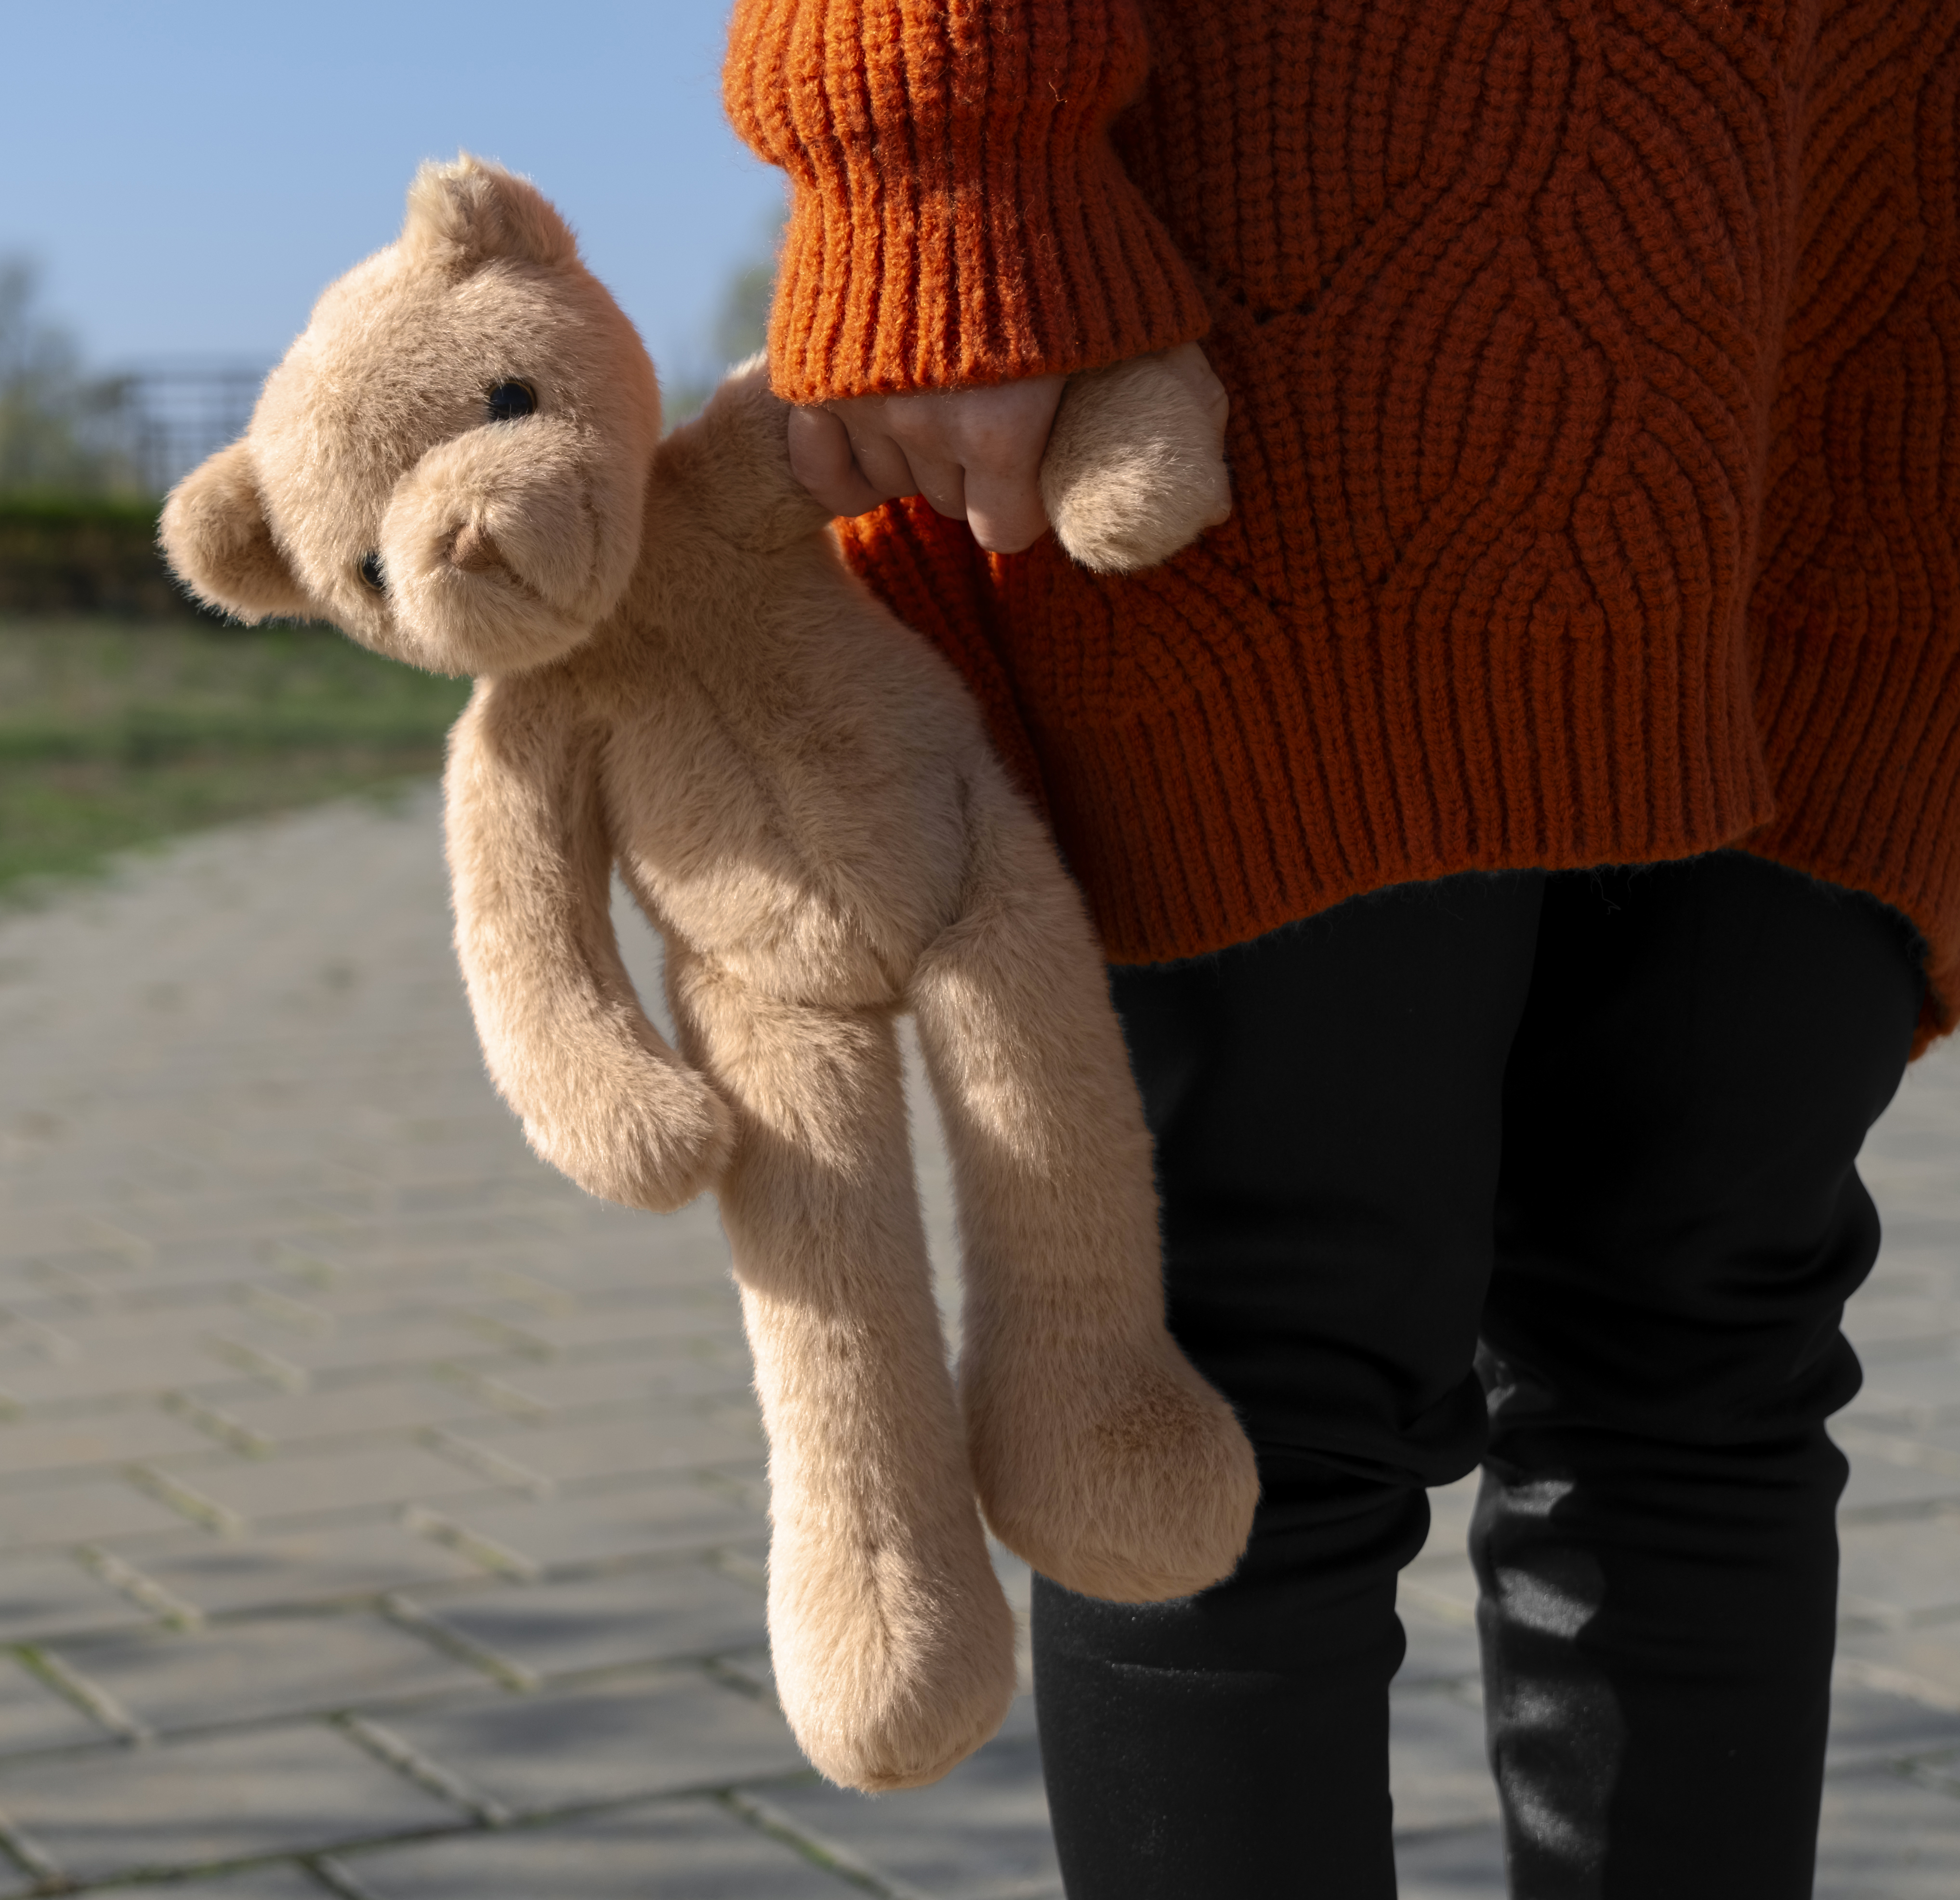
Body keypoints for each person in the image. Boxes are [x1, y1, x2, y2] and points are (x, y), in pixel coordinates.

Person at [721, 3, 1959, 1895]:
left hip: (1869, 282)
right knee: (1249, 1377)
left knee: (1701, 1323)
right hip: (1308, 285)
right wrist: (936, 160)